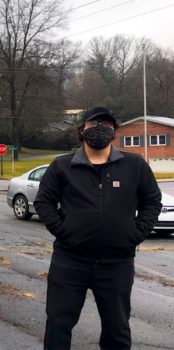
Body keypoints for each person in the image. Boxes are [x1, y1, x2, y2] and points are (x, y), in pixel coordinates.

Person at [35, 107, 162, 349]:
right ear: (82, 130)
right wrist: (63, 231)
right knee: (58, 326)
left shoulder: (134, 165)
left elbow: (152, 201)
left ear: (114, 130)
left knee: (117, 330)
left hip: (117, 263)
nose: (100, 129)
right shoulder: (63, 166)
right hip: (70, 261)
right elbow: (44, 201)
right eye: (94, 125)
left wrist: (135, 234)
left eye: (107, 124)